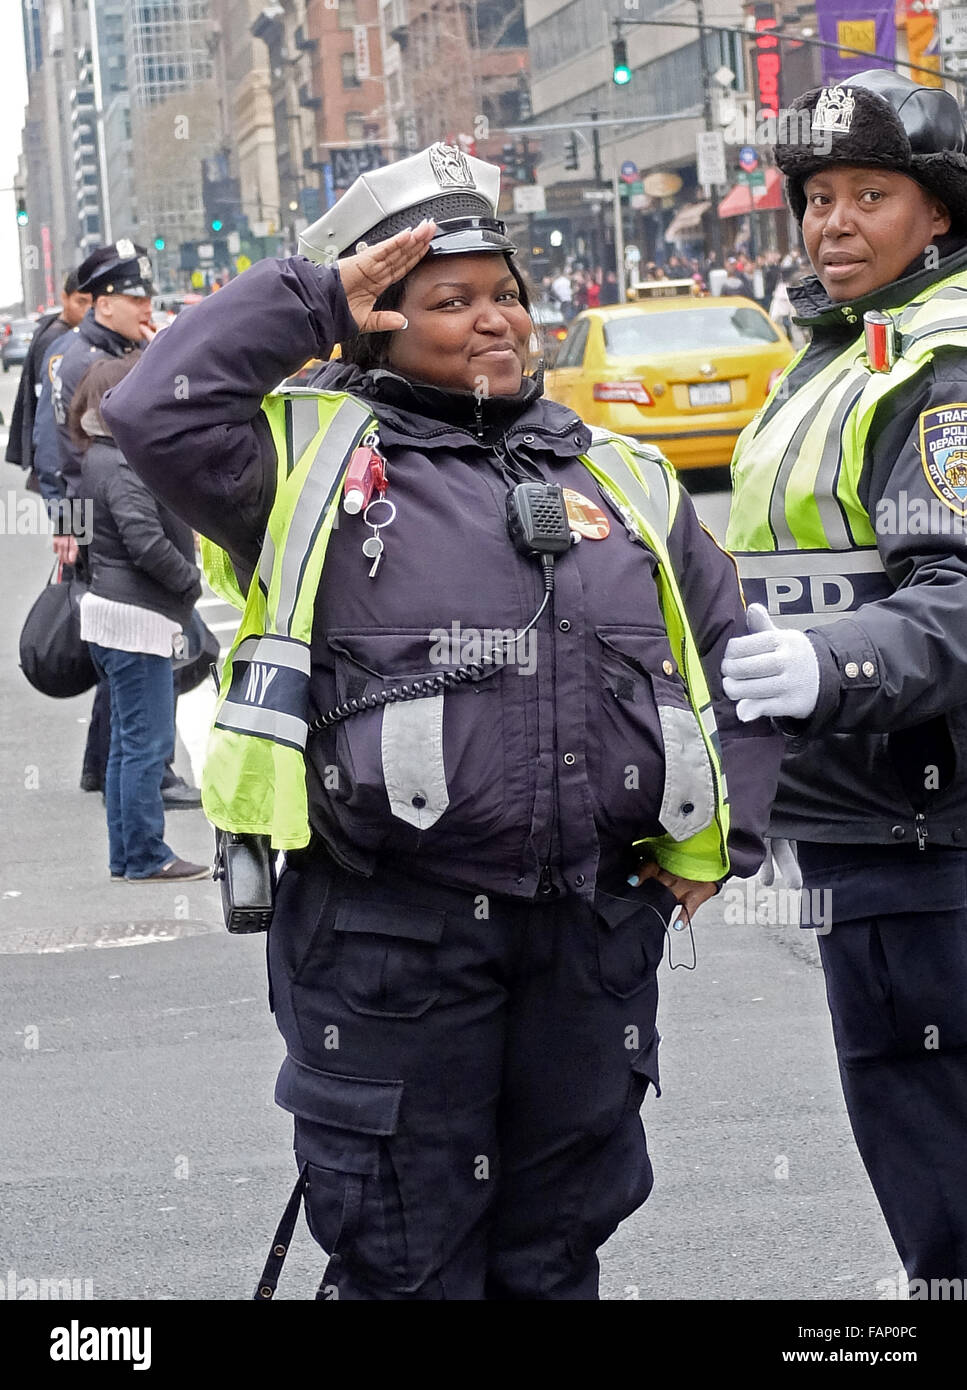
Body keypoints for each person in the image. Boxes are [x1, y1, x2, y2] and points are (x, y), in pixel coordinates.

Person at [103, 142, 782, 1300]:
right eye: (447, 301)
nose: (493, 321)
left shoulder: (619, 473)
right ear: (377, 322)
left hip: (588, 941)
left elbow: (743, 659)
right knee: (407, 1261)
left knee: (556, 1249)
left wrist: (732, 835)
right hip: (386, 945)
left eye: (504, 295)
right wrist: (314, 293)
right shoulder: (301, 461)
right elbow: (151, 407)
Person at [722, 71, 967, 1287]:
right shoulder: (845, 350)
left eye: (872, 194)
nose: (832, 222)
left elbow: (957, 595)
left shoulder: (943, 365)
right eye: (816, 196)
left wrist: (829, 664)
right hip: (860, 808)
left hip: (927, 820)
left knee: (935, 1143)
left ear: (938, 215)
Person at [40, 241, 200, 808]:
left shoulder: (112, 347)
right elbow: (58, 450)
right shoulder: (84, 358)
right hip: (109, 522)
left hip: (104, 517)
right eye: (135, 297)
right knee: (138, 649)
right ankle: (147, 770)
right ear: (103, 302)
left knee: (123, 653)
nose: (145, 306)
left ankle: (102, 763)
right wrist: (70, 526)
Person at [70, 357, 207, 883]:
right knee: (145, 745)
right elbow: (144, 541)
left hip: (114, 616)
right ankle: (147, 856)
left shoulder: (99, 456)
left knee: (128, 744)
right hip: (136, 619)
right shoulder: (122, 461)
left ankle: (128, 856)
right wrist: (189, 583)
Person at [4, 271, 91, 486]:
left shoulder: (68, 333)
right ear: (65, 298)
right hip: (62, 463)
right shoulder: (56, 338)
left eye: (92, 303)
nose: (87, 310)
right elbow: (51, 411)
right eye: (81, 301)